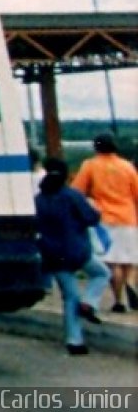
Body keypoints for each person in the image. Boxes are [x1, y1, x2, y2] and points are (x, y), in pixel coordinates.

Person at [35, 157, 111, 355]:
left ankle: (74, 341)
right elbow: (91, 218)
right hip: (77, 251)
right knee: (101, 273)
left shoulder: (38, 200)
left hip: (53, 255)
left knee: (70, 297)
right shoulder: (72, 196)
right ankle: (90, 302)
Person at [71, 133, 138, 313]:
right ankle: (130, 283)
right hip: (128, 216)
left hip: (104, 219)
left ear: (96, 147)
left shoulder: (90, 165)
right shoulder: (127, 167)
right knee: (129, 259)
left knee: (112, 262)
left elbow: (77, 191)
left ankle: (119, 301)